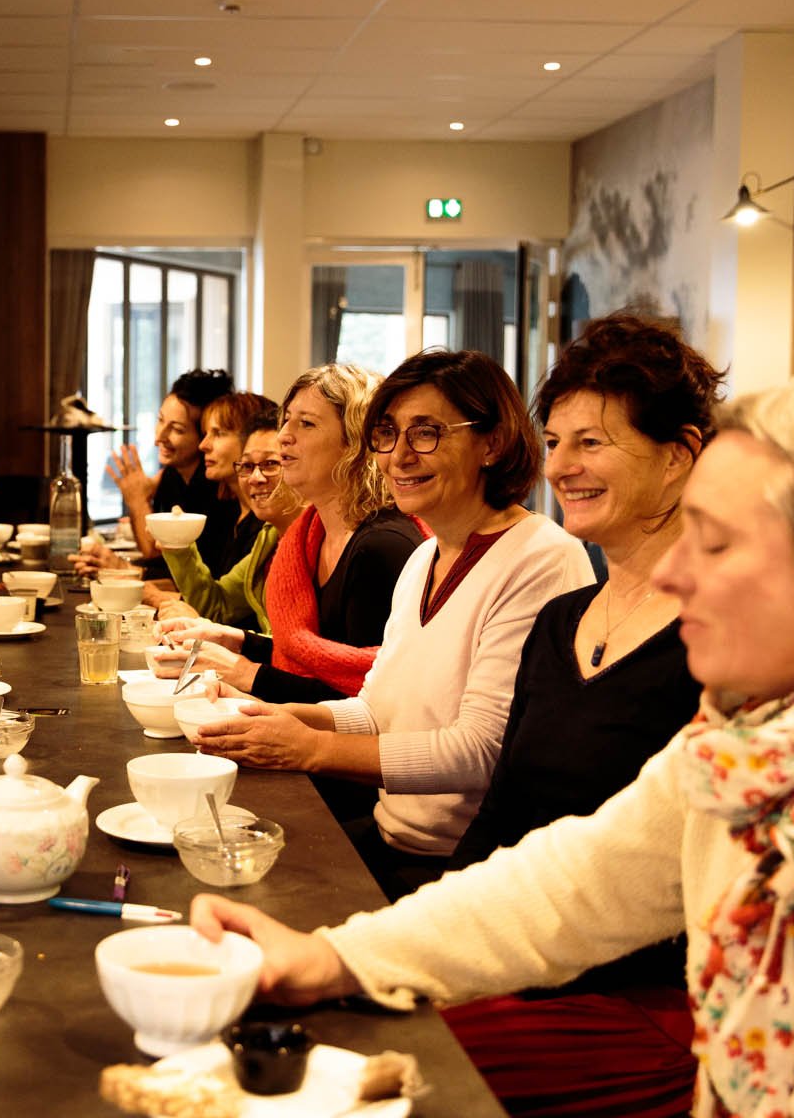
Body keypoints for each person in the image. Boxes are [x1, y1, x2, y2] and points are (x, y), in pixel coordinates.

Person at [192, 368, 794, 1118]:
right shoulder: (758, 744)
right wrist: (335, 959)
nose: (674, 576)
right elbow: (575, 882)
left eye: (717, 543)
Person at [438, 315, 723, 1116]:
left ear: (680, 455)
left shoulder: (721, 641)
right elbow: (501, 814)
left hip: (643, 1001)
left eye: (591, 443)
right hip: (525, 962)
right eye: (556, 442)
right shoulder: (560, 621)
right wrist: (426, 931)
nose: (560, 466)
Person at [195, 351, 593, 896]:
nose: (399, 456)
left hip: (468, 870)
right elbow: (375, 711)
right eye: (387, 434)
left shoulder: (540, 557)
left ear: (493, 443)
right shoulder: (423, 559)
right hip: (392, 838)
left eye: (426, 433)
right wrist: (270, 716)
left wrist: (309, 747)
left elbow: (480, 751)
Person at [162, 364, 426, 705]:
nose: (284, 435)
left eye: (306, 423)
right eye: (286, 420)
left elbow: (366, 699)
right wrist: (235, 640)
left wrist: (245, 672)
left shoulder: (382, 546)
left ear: (354, 441)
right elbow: (316, 659)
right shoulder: (311, 535)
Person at [149, 410, 303, 632]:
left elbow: (291, 644)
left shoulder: (316, 539)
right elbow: (218, 606)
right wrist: (177, 544)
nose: (256, 478)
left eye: (270, 464)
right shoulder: (270, 536)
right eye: (247, 466)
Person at [108, 367, 240, 577]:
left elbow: (186, 573)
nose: (159, 437)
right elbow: (156, 552)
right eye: (160, 420)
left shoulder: (219, 487)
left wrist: (138, 500)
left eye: (177, 429)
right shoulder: (171, 475)